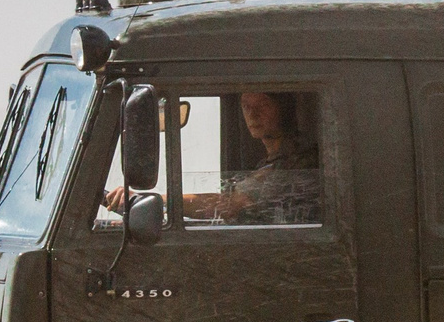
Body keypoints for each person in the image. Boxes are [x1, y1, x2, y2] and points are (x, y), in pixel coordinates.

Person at [105, 91, 319, 225]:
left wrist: (152, 201)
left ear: (284, 109)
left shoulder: (297, 160)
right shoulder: (271, 161)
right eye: (246, 106)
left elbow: (229, 204)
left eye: (262, 105)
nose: (252, 115)